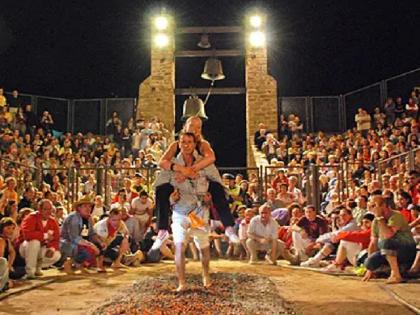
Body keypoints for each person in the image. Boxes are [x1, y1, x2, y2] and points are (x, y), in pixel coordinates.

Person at [154, 116, 238, 244]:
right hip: (178, 179)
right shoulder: (176, 144)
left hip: (199, 180)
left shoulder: (203, 144)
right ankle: (162, 229)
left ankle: (228, 227)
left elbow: (211, 158)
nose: (195, 129)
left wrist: (189, 172)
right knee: (161, 189)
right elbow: (163, 161)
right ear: (185, 127)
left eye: (198, 127)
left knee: (216, 188)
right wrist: (181, 169)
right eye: (192, 126)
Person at [168, 131, 213, 291]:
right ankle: (181, 283)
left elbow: (210, 187)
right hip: (180, 213)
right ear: (179, 144)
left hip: (199, 212)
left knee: (204, 247)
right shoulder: (171, 165)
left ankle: (206, 275)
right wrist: (172, 198)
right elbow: (166, 194)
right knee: (179, 246)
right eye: (183, 142)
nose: (186, 145)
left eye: (189, 142)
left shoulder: (204, 163)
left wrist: (208, 199)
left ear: (194, 145)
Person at [363, 195, 416, 284]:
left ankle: (396, 275)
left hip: (406, 249)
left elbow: (388, 235)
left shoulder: (396, 216)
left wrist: (380, 217)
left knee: (386, 242)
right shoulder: (376, 221)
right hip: (388, 251)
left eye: (374, 206)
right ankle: (394, 269)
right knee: (368, 262)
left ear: (383, 205)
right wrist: (370, 269)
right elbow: (373, 243)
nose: (372, 209)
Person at [18, 199, 61, 279]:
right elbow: (27, 235)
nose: (48, 211)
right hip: (25, 247)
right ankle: (30, 272)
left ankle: (38, 268)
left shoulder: (53, 221)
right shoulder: (31, 217)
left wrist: (52, 248)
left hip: (42, 247)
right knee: (35, 242)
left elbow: (56, 239)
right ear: (39, 209)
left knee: (57, 255)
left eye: (50, 209)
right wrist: (45, 236)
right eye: (45, 209)